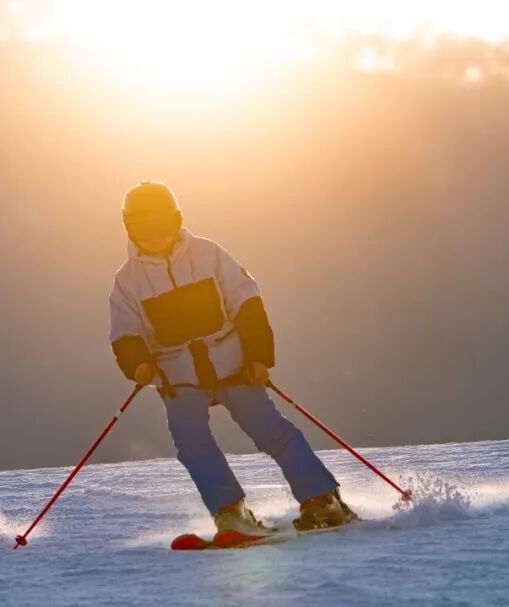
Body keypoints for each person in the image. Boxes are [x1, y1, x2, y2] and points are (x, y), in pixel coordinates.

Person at [108, 180, 357, 534]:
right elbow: (125, 330)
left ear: (176, 220)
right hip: (178, 376)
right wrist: (138, 363)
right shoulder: (127, 281)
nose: (152, 237)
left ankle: (321, 499)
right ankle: (229, 511)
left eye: (159, 226)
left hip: (233, 363)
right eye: (141, 229)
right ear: (129, 229)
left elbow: (247, 302)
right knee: (192, 443)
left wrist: (258, 356)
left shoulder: (209, 255)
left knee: (272, 432)